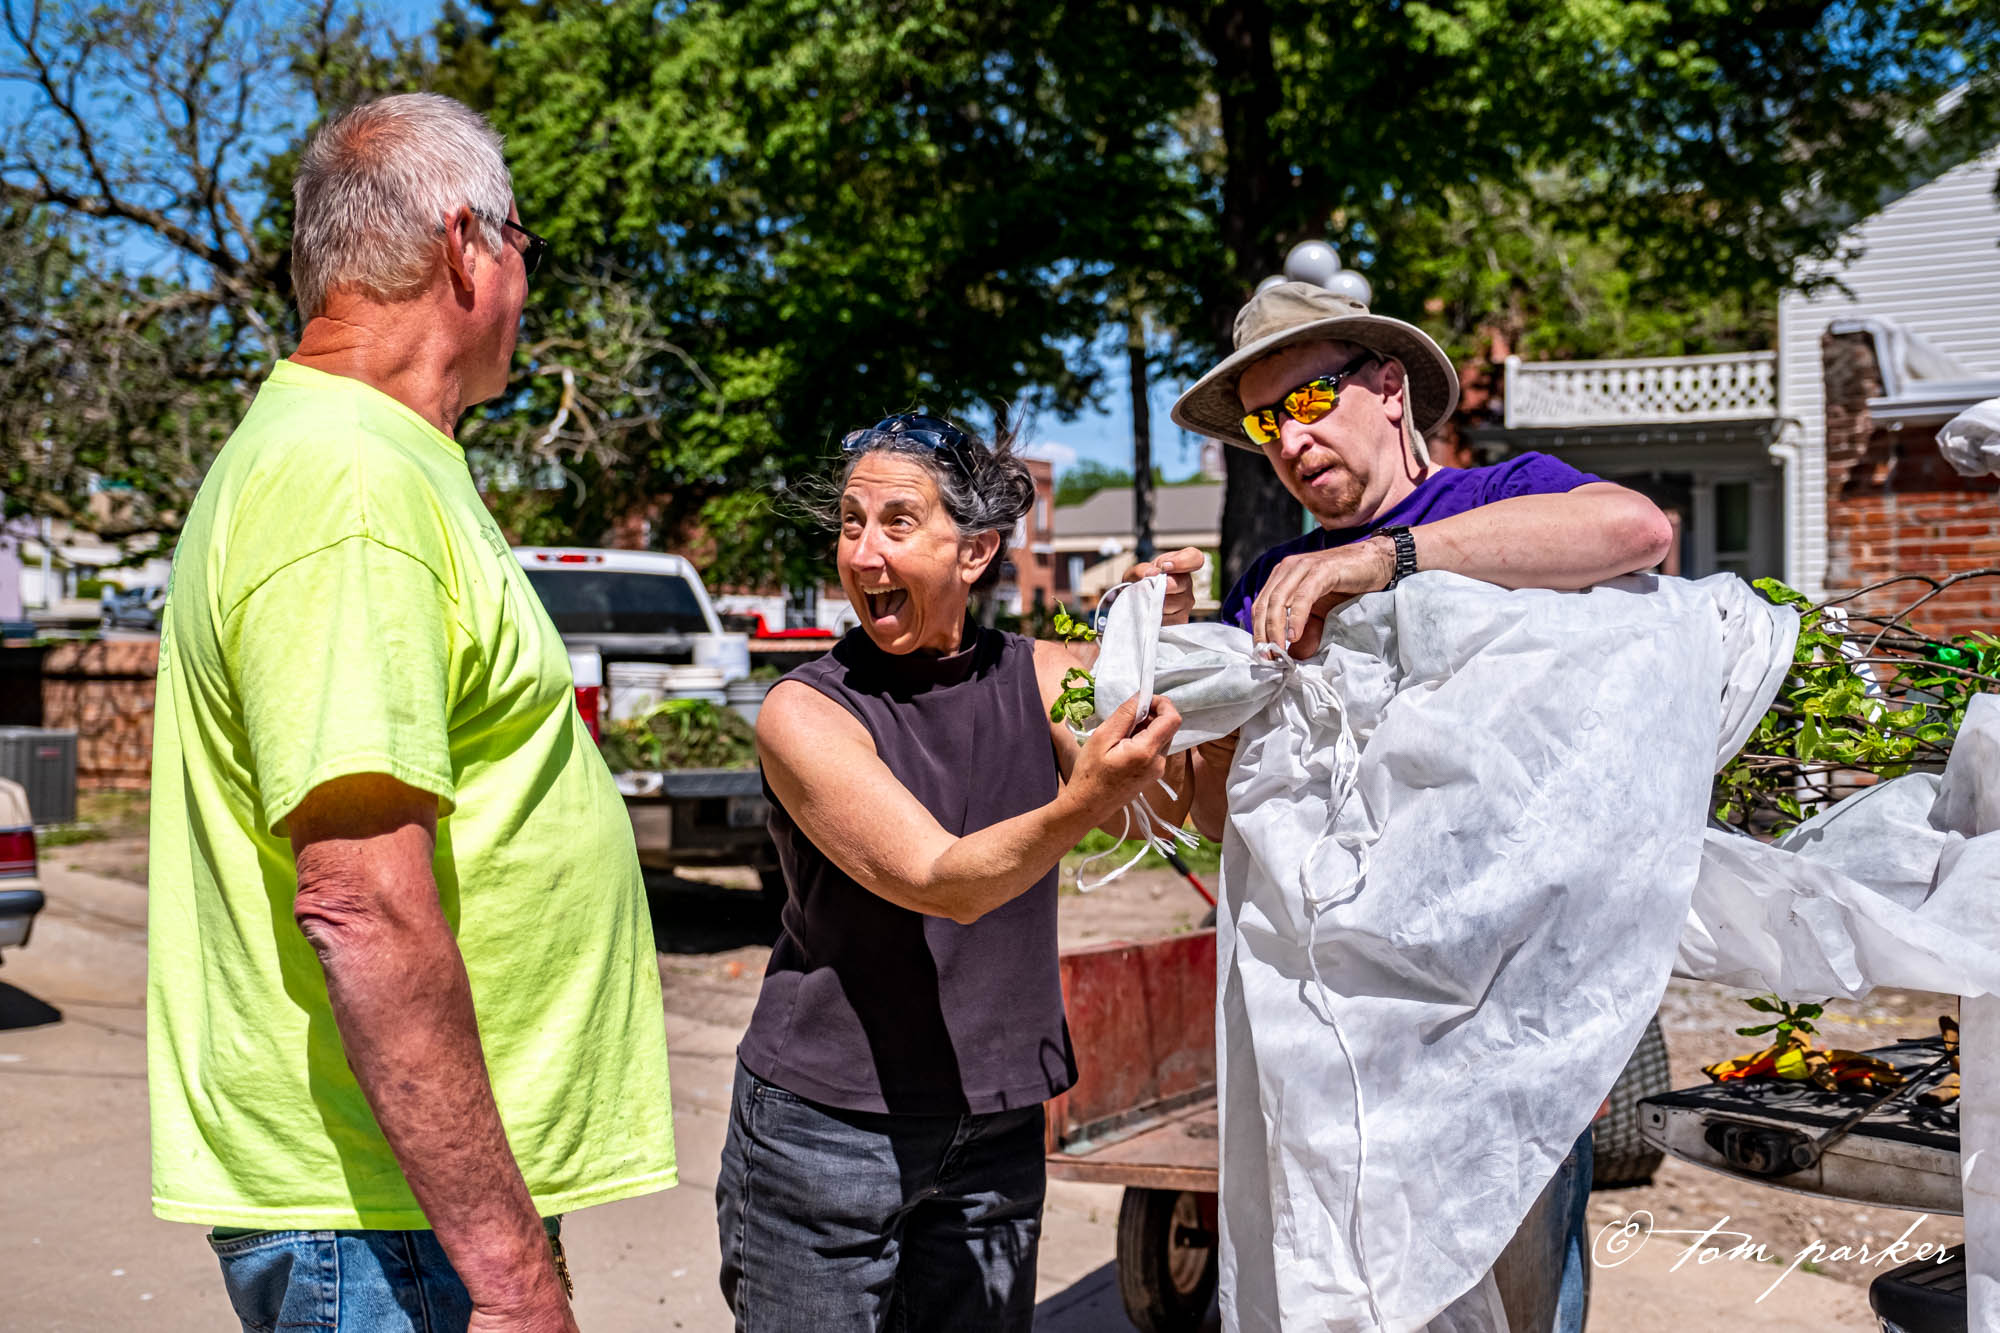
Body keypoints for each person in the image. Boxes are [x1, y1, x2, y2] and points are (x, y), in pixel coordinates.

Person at [146, 93, 676, 1333]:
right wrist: (510, 1278)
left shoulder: (375, 461)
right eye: (522, 243)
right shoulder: (349, 484)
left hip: (411, 1214)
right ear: (463, 245)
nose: (526, 283)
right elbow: (362, 905)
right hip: (391, 1231)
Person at [1159, 280, 1674, 1332]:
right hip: (1331, 1030)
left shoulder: (1501, 497)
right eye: (1262, 424)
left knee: (1518, 1297)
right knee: (1347, 1289)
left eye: (1308, 400)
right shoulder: (1268, 581)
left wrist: (1383, 559)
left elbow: (1634, 528)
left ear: (1388, 386)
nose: (1287, 441)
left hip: (1500, 1020)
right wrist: (1185, 669)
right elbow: (1219, 816)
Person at [716, 412, 1191, 1331]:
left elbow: (1172, 810)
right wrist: (1081, 800)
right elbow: (942, 880)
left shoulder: (1045, 675)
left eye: (897, 522)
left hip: (995, 1128)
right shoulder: (805, 712)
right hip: (827, 1130)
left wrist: (1159, 647)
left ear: (975, 552)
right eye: (851, 523)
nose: (863, 553)